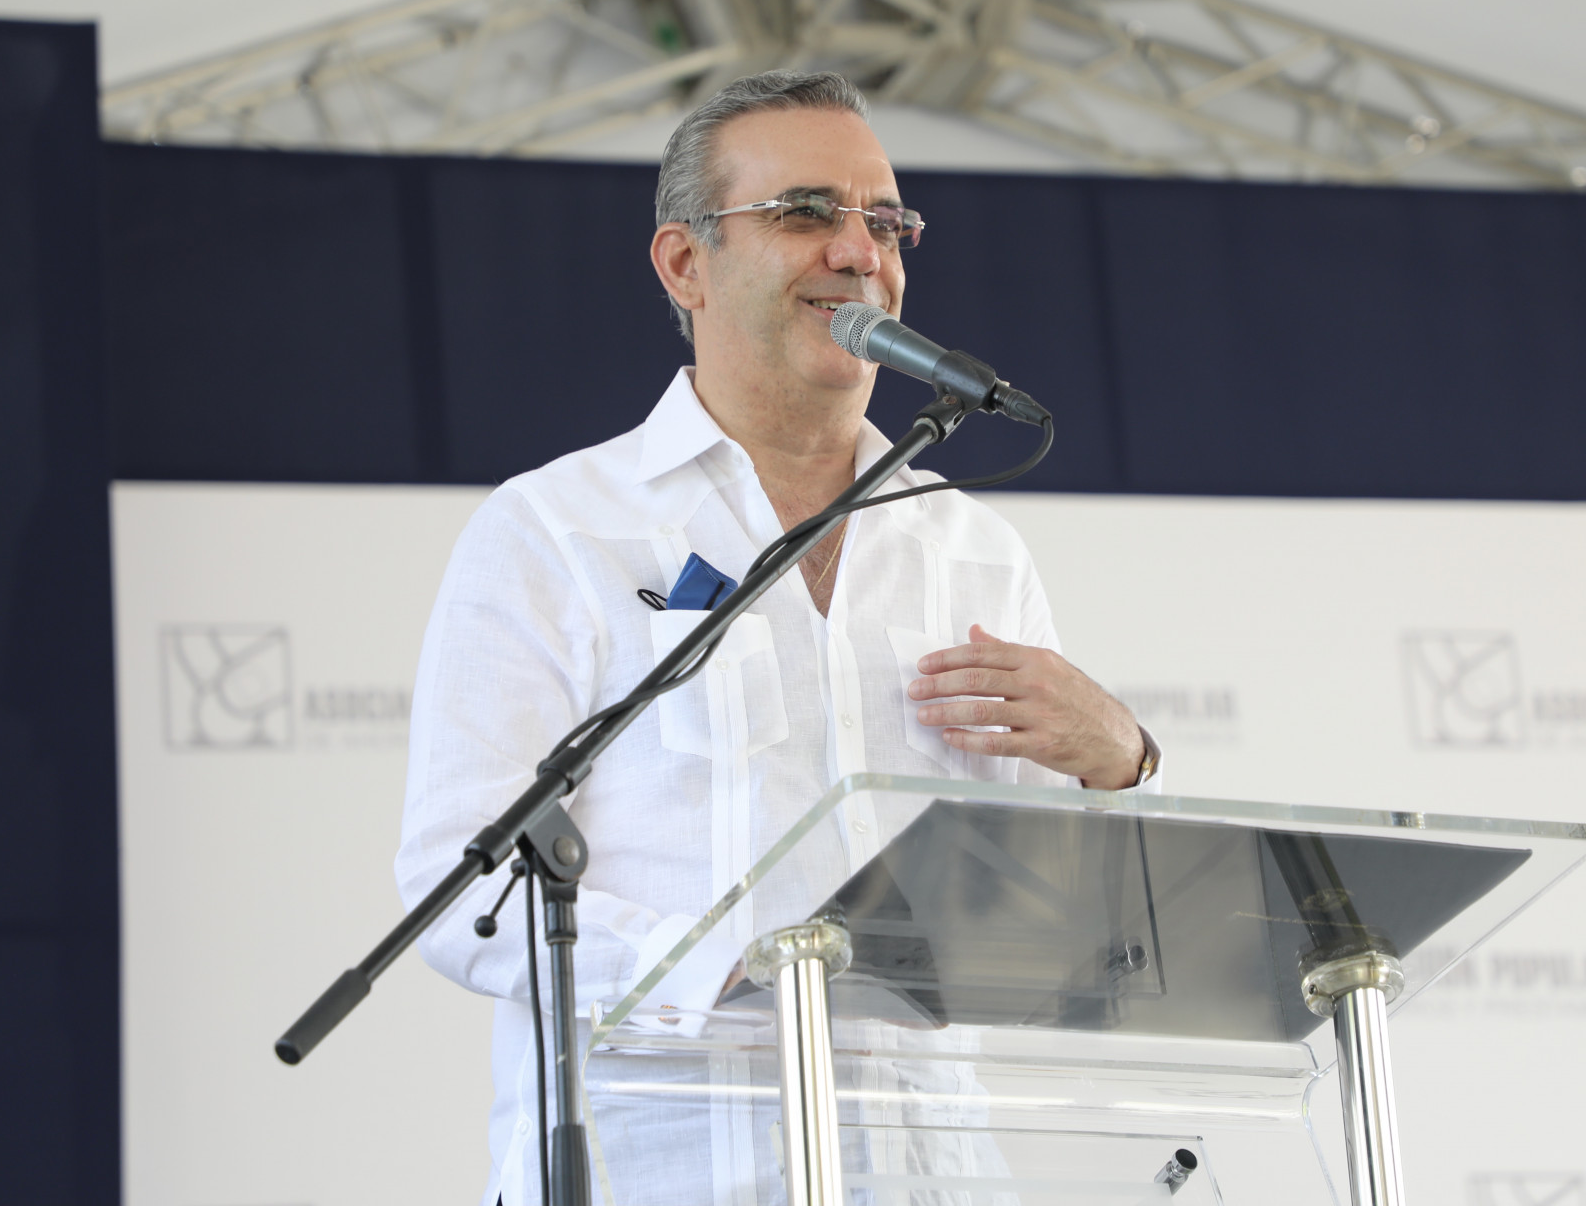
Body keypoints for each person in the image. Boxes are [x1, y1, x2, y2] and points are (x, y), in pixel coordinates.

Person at [396, 70, 1161, 1206]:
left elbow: (1072, 922)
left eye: (886, 223)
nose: (859, 253)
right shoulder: (556, 530)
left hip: (929, 1181)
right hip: (660, 1180)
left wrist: (1118, 763)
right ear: (684, 263)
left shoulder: (976, 550)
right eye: (806, 213)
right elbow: (463, 891)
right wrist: (749, 974)